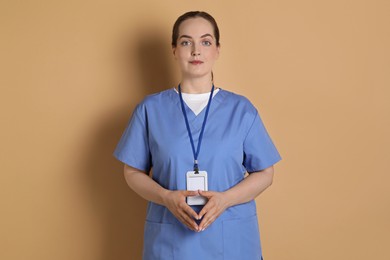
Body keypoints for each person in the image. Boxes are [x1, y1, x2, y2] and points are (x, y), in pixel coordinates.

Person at [114, 11, 281, 260]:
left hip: (232, 241)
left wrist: (225, 200)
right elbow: (132, 172)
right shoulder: (150, 110)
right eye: (185, 42)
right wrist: (166, 197)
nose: (196, 51)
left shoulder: (241, 110)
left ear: (217, 49)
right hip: (171, 243)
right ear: (174, 50)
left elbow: (265, 173)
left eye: (205, 42)